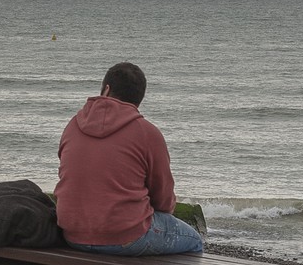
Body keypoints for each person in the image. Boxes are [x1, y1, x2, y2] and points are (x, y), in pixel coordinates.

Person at [54, 61, 203, 255]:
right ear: (139, 99)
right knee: (194, 241)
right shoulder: (147, 132)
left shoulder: (72, 125)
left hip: (72, 233)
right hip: (126, 237)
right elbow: (163, 199)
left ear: (106, 90)